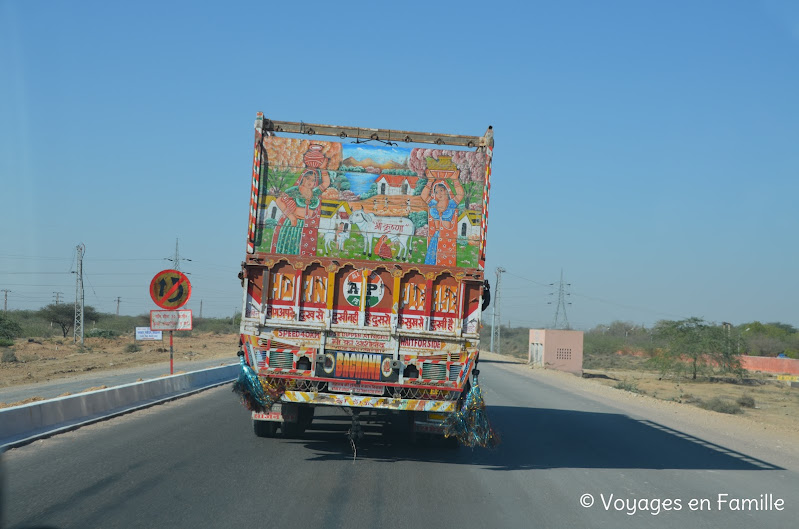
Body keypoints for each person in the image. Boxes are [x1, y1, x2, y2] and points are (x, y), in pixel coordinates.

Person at [271, 163, 330, 256]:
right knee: (290, 251)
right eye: (308, 178)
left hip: (307, 227)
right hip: (293, 226)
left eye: (313, 180)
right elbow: (279, 200)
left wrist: (323, 169)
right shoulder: (294, 190)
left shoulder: (315, 192)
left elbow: (326, 183)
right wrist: (290, 217)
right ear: (303, 178)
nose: (310, 182)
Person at [420, 179, 464, 266]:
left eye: (441, 190)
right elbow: (424, 195)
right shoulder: (433, 203)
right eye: (436, 192)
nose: (439, 194)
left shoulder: (451, 204)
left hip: (446, 237)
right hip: (436, 236)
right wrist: (430, 181)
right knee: (432, 261)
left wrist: (455, 180)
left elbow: (460, 194)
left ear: (447, 191)